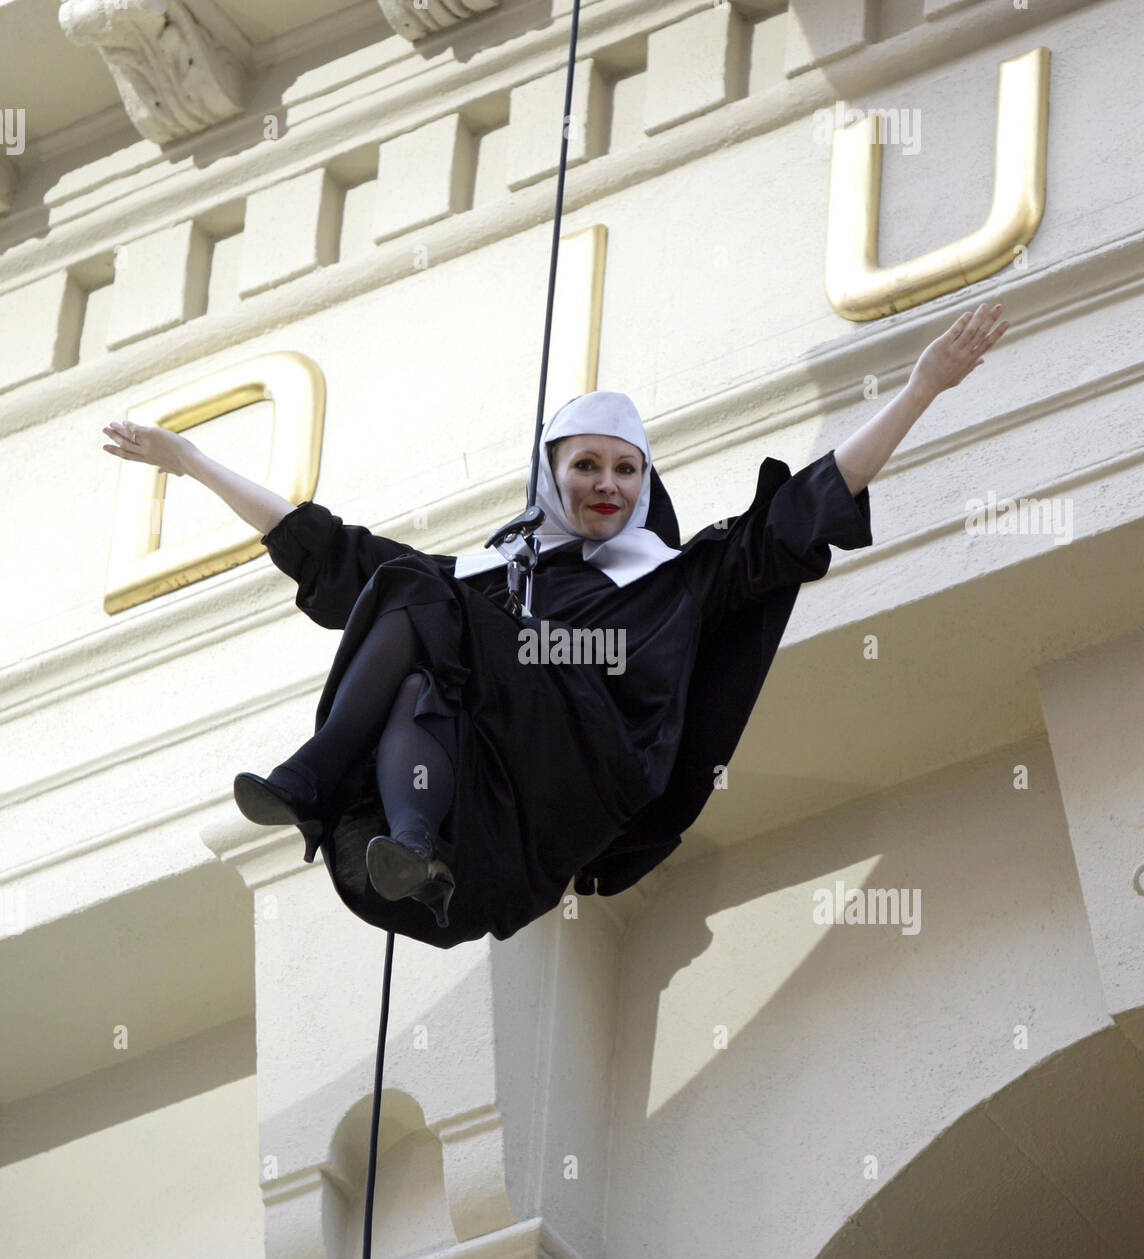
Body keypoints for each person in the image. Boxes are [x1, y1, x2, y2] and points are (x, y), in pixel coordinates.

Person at [101, 303, 1008, 947]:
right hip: (489, 805)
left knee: (419, 593)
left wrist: (922, 387)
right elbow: (329, 550)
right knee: (416, 647)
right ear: (551, 475)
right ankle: (412, 848)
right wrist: (193, 461)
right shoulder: (488, 583)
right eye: (585, 465)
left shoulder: (674, 581)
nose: (606, 484)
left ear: (645, 484)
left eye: (624, 469)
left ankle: (309, 779)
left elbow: (799, 512)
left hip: (584, 767)